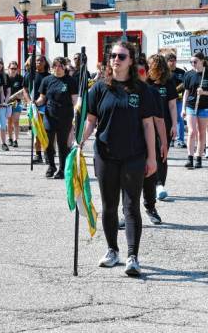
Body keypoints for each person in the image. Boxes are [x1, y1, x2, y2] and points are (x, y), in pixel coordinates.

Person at [80, 42, 157, 277]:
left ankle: (133, 256)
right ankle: (112, 250)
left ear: (131, 60)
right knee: (109, 206)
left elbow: (148, 125)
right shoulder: (99, 88)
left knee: (131, 205)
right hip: (105, 155)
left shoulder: (142, 90)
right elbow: (91, 120)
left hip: (134, 155)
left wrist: (152, 157)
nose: (116, 59)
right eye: (112, 55)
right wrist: (79, 141)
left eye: (121, 56)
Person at [138, 57, 168, 225]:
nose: (137, 74)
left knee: (149, 178)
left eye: (141, 71)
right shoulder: (123, 91)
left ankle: (150, 207)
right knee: (127, 181)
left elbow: (159, 120)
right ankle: (126, 213)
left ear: (147, 72)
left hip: (148, 142)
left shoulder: (152, 92)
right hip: (128, 144)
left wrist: (164, 143)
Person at [36, 57, 77, 179]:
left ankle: (62, 169)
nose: (57, 68)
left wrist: (76, 115)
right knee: (47, 142)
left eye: (60, 66)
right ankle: (51, 165)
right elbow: (42, 98)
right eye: (55, 66)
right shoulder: (47, 80)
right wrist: (35, 103)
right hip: (49, 115)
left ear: (65, 67)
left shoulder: (70, 81)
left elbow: (75, 100)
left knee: (62, 144)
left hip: (65, 116)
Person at [147, 54, 178, 202]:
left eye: (155, 66)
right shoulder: (145, 81)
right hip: (146, 124)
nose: (153, 69)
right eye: (151, 66)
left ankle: (160, 185)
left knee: (162, 155)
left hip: (163, 124)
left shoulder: (169, 82)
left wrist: (174, 124)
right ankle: (149, 185)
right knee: (147, 153)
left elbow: (172, 105)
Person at [181, 52, 208, 169]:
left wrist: (204, 92)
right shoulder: (188, 75)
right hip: (191, 106)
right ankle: (190, 158)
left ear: (202, 61)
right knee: (192, 132)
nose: (193, 64)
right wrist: (183, 109)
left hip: (204, 107)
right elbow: (186, 93)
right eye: (191, 62)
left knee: (202, 133)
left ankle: (199, 158)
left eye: (195, 62)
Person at [24, 55, 50, 164]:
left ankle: (47, 154)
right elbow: (25, 89)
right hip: (33, 106)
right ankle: (38, 154)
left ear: (45, 62)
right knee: (36, 131)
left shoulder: (49, 77)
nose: (38, 62)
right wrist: (29, 101)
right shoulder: (29, 76)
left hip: (46, 106)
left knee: (46, 131)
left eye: (41, 60)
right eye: (37, 60)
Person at [166, 53, 186, 148]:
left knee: (179, 119)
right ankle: (170, 139)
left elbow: (186, 84)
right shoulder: (164, 73)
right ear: (167, 62)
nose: (173, 63)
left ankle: (180, 140)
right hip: (167, 100)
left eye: (174, 60)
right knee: (168, 119)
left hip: (179, 100)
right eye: (171, 61)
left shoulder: (181, 72)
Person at [6, 61, 24, 148]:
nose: (13, 70)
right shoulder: (5, 78)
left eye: (15, 68)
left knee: (16, 121)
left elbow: (23, 91)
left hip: (17, 102)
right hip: (7, 103)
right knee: (9, 122)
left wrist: (18, 96)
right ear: (8, 69)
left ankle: (15, 140)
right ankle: (9, 138)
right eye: (12, 68)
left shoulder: (20, 78)